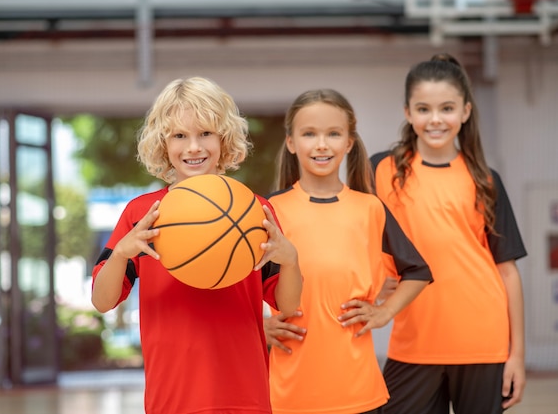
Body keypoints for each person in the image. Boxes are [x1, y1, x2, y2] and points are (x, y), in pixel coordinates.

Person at [91, 76, 302, 414]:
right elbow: (102, 301)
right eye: (180, 136)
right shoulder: (141, 214)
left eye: (205, 133)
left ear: (224, 139)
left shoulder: (254, 209)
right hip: (172, 398)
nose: (194, 147)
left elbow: (287, 304)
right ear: (163, 144)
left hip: (245, 396)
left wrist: (290, 261)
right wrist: (120, 254)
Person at [371, 53, 527, 414]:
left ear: (466, 111)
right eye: (423, 109)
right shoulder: (381, 169)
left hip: (482, 340)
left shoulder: (486, 180)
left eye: (447, 108)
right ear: (408, 113)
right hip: (413, 341)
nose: (436, 119)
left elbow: (507, 272)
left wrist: (516, 354)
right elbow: (360, 236)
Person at [264, 88, 433, 414]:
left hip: (358, 390)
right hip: (288, 393)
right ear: (291, 142)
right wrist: (259, 326)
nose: (322, 144)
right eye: (309, 133)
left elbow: (418, 271)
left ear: (349, 143)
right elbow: (236, 285)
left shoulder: (370, 209)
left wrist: (384, 312)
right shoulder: (271, 210)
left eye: (333, 133)